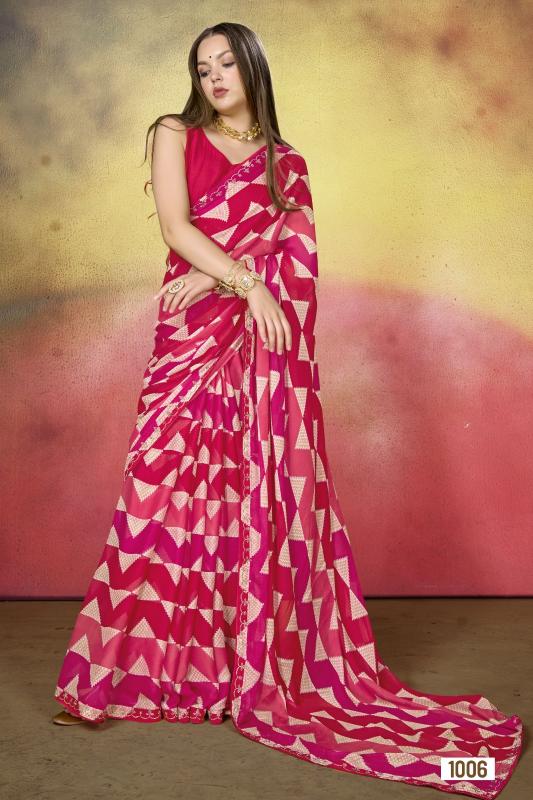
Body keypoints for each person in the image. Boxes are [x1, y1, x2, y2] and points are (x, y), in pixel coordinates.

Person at [52, 21, 523, 799]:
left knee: (244, 498)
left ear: (252, 69)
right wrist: (246, 282)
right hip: (194, 341)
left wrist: (224, 275)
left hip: (255, 351)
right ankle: (130, 675)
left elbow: (295, 257)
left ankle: (238, 676)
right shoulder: (173, 133)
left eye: (225, 63)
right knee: (162, 494)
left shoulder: (286, 164)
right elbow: (176, 227)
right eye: (201, 66)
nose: (213, 77)